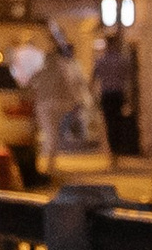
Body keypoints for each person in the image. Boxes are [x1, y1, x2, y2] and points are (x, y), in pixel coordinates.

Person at [29, 30, 91, 181]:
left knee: (50, 134)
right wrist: (77, 102)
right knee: (53, 134)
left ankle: (47, 165)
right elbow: (72, 84)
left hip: (46, 104)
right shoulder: (64, 66)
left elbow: (32, 84)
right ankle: (49, 165)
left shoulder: (42, 67)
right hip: (58, 103)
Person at [93, 28, 140, 156]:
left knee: (109, 121)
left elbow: (95, 77)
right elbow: (129, 77)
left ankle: (113, 148)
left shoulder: (101, 60)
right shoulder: (122, 60)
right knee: (118, 120)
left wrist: (93, 95)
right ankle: (117, 148)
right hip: (118, 94)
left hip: (106, 94)